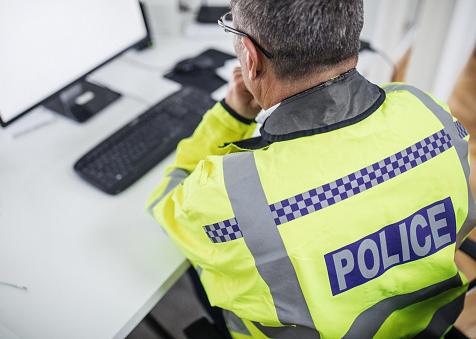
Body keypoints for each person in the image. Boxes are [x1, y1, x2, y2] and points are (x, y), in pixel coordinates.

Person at [146, 0, 476, 337]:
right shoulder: (428, 112)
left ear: (250, 56)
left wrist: (231, 116)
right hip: (431, 329)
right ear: (352, 33)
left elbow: (168, 201)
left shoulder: (230, 195)